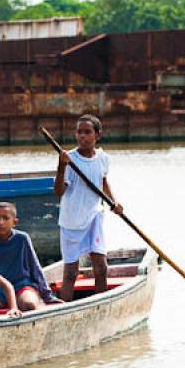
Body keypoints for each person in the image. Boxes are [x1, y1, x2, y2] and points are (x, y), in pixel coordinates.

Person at [54, 114, 124, 302]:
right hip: (72, 222)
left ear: (98, 135)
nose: (82, 136)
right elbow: (59, 192)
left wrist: (113, 202)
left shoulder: (103, 158)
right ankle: (64, 310)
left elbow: (102, 182)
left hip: (94, 217)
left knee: (101, 268)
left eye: (87, 132)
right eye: (79, 132)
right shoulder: (69, 160)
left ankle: (100, 305)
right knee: (70, 273)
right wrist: (61, 167)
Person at [0, 202, 59, 312]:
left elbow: (35, 268)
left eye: (5, 218)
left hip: (22, 287)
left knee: (29, 304)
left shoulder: (22, 239)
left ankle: (27, 302)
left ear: (14, 222)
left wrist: (47, 296)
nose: (1, 222)